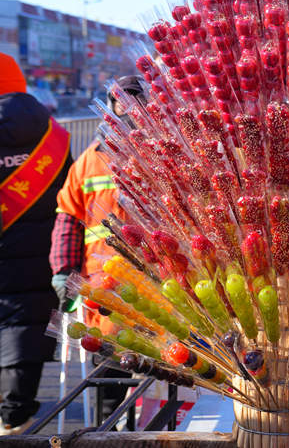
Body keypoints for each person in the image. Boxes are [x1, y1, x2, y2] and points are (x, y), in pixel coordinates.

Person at [49, 75, 148, 424]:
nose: (129, 108)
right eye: (122, 101)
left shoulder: (160, 154)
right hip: (105, 287)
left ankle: (138, 427)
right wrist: (63, 271)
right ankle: (108, 429)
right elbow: (68, 219)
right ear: (110, 106)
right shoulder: (89, 162)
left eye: (136, 100)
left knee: (161, 369)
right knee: (109, 367)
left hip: (157, 283)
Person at [0, 53, 72, 434]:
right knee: (29, 332)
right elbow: (71, 199)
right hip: (45, 259)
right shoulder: (53, 132)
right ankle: (16, 416)